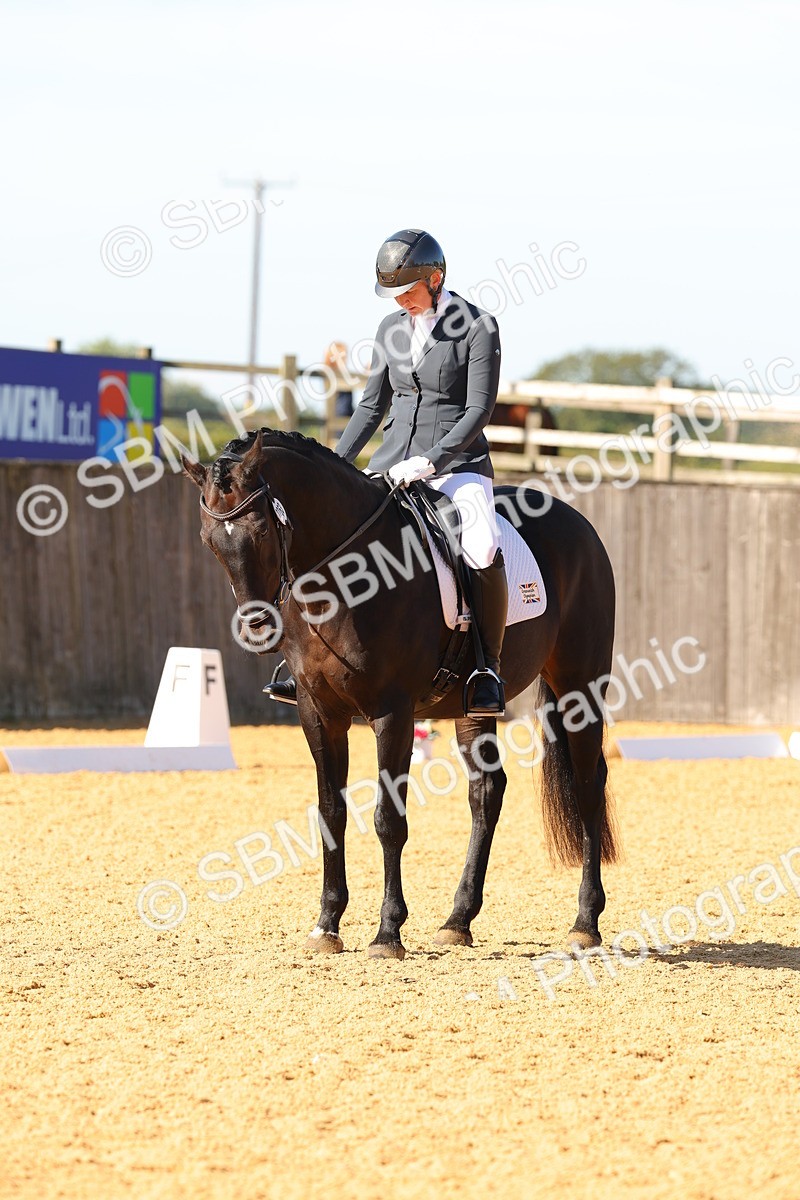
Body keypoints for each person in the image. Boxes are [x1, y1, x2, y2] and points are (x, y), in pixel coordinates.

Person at [264, 228, 507, 715]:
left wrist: (433, 460)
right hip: (391, 463)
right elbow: (371, 406)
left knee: (481, 545)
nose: (402, 300)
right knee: (327, 533)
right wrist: (332, 465)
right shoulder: (390, 329)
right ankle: (303, 659)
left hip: (456, 467)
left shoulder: (478, 327)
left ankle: (486, 667)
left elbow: (479, 408)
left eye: (409, 291)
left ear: (436, 278)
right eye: (394, 293)